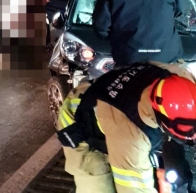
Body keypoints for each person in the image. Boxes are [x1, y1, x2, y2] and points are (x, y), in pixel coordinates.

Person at [57, 63, 196, 193]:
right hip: (80, 121)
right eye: (188, 131)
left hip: (109, 102)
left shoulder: (184, 80)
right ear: (162, 121)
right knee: (97, 184)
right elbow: (133, 189)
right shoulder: (130, 137)